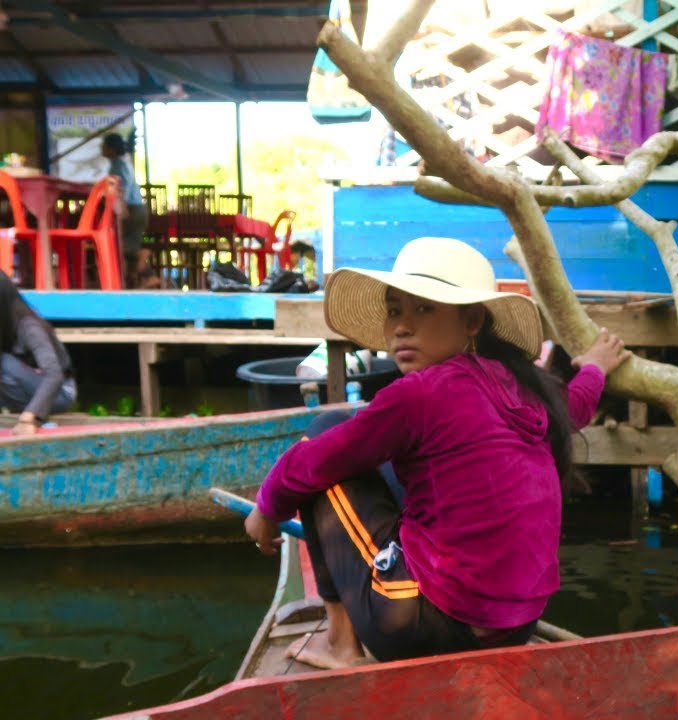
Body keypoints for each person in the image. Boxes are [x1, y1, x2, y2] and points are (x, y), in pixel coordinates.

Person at [244, 236, 630, 669]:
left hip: (430, 629)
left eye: (424, 309)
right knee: (364, 449)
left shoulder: (419, 394)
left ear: (472, 322)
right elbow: (571, 409)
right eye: (395, 311)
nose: (402, 327)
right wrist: (595, 367)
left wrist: (267, 508)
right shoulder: (521, 386)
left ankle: (340, 645)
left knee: (321, 435)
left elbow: (312, 463)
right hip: (517, 625)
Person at [0, 270, 75, 435]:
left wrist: (29, 417)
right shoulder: (5, 329)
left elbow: (54, 375)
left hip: (61, 394)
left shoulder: (29, 327)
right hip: (28, 387)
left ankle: (34, 410)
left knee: (4, 363)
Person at [101, 132, 159, 289]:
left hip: (132, 210)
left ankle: (145, 267)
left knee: (121, 246)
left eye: (104, 145)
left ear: (111, 149)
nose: (101, 148)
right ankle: (140, 273)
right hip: (137, 210)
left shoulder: (119, 165)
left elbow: (123, 185)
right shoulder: (120, 163)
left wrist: (122, 205)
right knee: (125, 246)